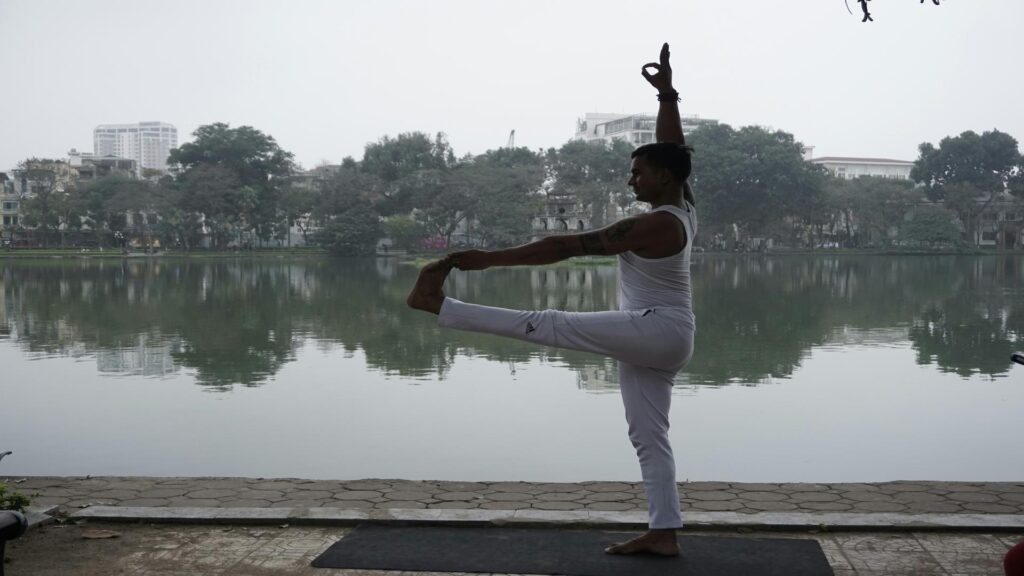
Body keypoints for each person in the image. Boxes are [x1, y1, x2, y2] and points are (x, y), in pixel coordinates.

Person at [407, 43, 696, 556]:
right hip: (658, 335)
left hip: (656, 329)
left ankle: (439, 305)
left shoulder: (653, 224)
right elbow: (675, 150)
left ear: (664, 179)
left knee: (550, 322)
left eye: (638, 173)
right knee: (648, 436)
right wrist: (668, 95)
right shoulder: (682, 204)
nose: (632, 179)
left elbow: (563, 246)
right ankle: (664, 533)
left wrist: (487, 259)